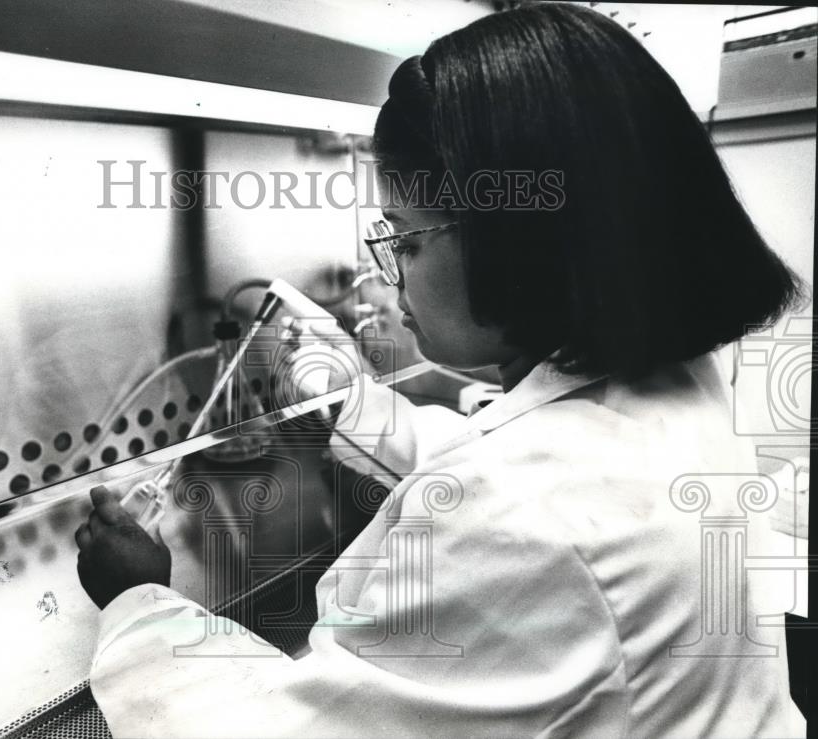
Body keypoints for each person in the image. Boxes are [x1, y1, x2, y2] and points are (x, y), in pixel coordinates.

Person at [74, 3, 807, 735]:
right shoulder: (681, 383)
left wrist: (139, 601)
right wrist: (351, 402)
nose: (391, 272)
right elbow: (514, 459)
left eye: (403, 238)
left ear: (511, 239)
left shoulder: (526, 516)